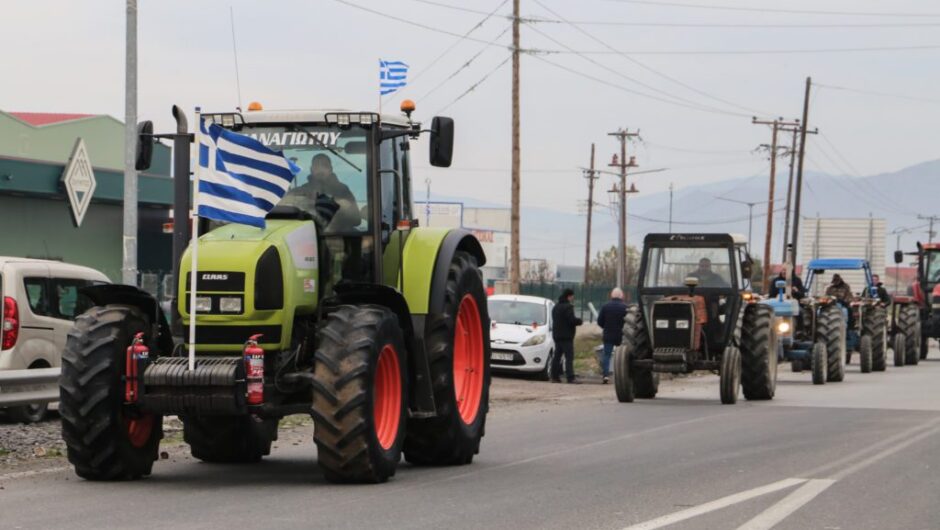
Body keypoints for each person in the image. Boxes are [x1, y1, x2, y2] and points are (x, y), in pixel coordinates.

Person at [281, 154, 361, 231]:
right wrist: (291, 201)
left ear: (330, 169)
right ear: (311, 169)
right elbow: (281, 213)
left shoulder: (343, 190)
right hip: (305, 236)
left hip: (336, 237)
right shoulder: (299, 191)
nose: (320, 169)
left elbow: (356, 220)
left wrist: (343, 208)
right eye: (316, 166)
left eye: (324, 166)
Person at [550, 288, 583, 384]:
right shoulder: (568, 307)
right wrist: (579, 321)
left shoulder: (556, 307)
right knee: (569, 357)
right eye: (572, 296)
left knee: (557, 356)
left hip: (557, 335)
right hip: (566, 336)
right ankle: (570, 377)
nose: (573, 298)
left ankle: (554, 376)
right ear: (569, 296)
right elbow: (571, 320)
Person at [596, 288, 628, 384]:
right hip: (620, 336)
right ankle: (621, 376)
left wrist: (605, 327)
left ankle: (605, 375)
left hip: (608, 335)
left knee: (607, 355)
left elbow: (599, 321)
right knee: (621, 356)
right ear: (621, 296)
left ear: (611, 296)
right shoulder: (625, 308)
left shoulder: (605, 307)